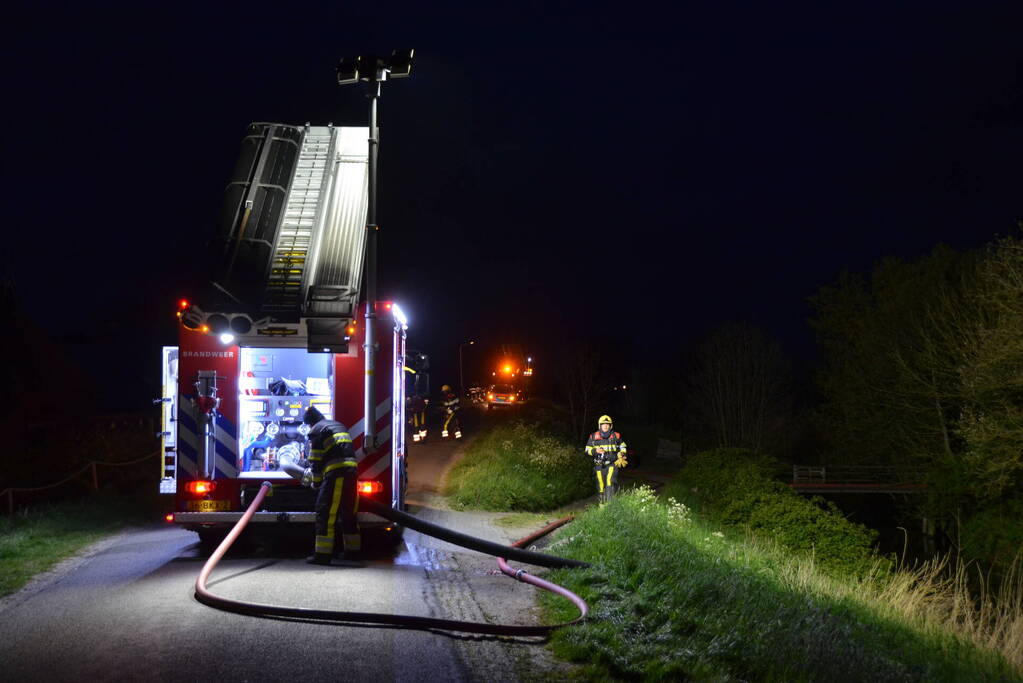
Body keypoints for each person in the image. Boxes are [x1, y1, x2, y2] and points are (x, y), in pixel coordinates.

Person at [303, 406, 362, 565]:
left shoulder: (316, 430)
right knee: (348, 512)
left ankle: (322, 555)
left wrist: (316, 483)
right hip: (351, 472)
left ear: (309, 423)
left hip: (336, 474)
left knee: (325, 512)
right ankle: (353, 551)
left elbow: (315, 460)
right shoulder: (337, 425)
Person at [585, 415, 628, 503]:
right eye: (603, 424)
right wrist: (595, 450)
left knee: (610, 482)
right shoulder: (593, 437)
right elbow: (587, 450)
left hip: (612, 463)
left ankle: (610, 504)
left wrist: (622, 453)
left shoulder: (616, 436)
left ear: (610, 426)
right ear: (600, 425)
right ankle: (602, 505)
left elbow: (623, 446)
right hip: (599, 465)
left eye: (607, 424)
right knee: (600, 484)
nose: (605, 426)